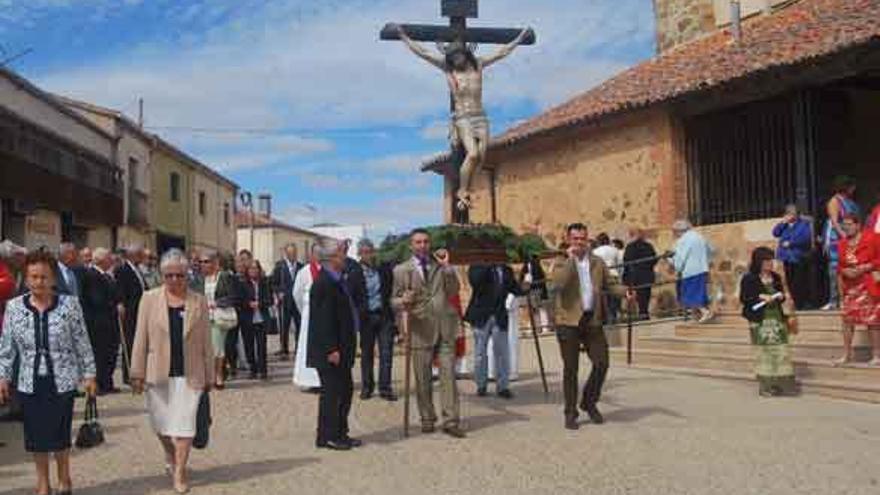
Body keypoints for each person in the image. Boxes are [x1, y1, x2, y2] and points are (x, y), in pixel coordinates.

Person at [0, 250, 97, 495]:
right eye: (33, 277)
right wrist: (3, 376)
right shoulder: (13, 308)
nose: (38, 282)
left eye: (43, 277)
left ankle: (64, 477)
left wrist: (89, 374)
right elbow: (7, 347)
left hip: (61, 380)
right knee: (35, 437)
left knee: (59, 433)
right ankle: (43, 483)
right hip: (29, 382)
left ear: (53, 278)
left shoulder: (69, 305)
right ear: (26, 278)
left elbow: (82, 342)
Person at [130, 249, 213, 494]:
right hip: (158, 372)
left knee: (185, 426)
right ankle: (170, 453)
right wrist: (137, 372)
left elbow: (207, 342)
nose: (175, 280)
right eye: (169, 276)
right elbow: (140, 338)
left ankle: (179, 472)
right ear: (162, 276)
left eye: (179, 275)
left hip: (191, 373)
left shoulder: (198, 301)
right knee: (161, 425)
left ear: (187, 275)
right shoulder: (148, 299)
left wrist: (210, 374)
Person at [549, 223, 631, 430]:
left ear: (588, 240)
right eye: (575, 238)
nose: (579, 242)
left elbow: (610, 284)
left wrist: (625, 292)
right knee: (571, 369)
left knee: (602, 362)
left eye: (583, 239)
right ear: (568, 239)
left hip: (592, 319)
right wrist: (570, 260)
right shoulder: (560, 261)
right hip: (568, 320)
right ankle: (570, 412)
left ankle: (588, 401)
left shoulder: (597, 262)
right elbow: (558, 284)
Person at [391, 228, 465, 438]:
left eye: (425, 242)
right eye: (418, 242)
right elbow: (393, 300)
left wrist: (448, 268)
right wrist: (402, 301)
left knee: (448, 375)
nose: (422, 246)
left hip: (444, 327)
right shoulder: (401, 270)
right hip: (419, 329)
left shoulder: (440, 267)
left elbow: (453, 291)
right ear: (411, 245)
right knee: (423, 379)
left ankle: (451, 420)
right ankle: (427, 417)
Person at [308, 241, 361, 451]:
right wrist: (331, 349)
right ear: (330, 259)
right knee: (332, 393)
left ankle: (340, 432)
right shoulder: (324, 283)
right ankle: (328, 436)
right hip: (331, 351)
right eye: (341, 255)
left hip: (342, 347)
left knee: (344, 391)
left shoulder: (337, 280)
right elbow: (323, 320)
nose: (345, 258)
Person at [740, 247, 797, 397]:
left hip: (777, 317)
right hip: (760, 319)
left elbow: (783, 295)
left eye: (771, 260)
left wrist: (781, 297)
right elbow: (744, 298)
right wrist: (760, 296)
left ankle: (780, 384)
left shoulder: (776, 277)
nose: (770, 264)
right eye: (766, 261)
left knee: (779, 351)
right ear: (758, 262)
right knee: (764, 352)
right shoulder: (749, 278)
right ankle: (765, 385)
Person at [465, 263, 525, 399]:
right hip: (481, 315)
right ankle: (481, 384)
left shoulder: (506, 270)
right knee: (480, 352)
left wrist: (526, 285)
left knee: (502, 352)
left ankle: (503, 386)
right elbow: (476, 282)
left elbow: (515, 289)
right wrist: (488, 264)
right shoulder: (477, 266)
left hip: (499, 315)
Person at [836, 214, 880, 366]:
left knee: (872, 321)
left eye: (849, 224)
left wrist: (866, 266)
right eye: (844, 225)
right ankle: (847, 354)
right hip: (850, 287)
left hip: (868, 284)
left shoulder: (872, 237)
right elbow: (840, 265)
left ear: (858, 225)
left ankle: (876, 355)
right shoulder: (842, 243)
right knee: (846, 320)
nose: (846, 228)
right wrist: (844, 271)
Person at [355, 239, 397, 401]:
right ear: (359, 254)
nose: (367, 255)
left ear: (374, 252)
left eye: (370, 251)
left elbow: (391, 290)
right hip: (366, 318)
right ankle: (367, 387)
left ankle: (385, 388)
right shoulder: (355, 272)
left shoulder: (383, 270)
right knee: (367, 355)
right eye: (364, 252)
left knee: (386, 353)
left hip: (384, 316)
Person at [79, 248, 124, 395]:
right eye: (109, 257)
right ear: (101, 260)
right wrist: (114, 306)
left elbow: (116, 294)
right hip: (98, 323)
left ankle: (107, 382)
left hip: (110, 322)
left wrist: (119, 302)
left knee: (110, 353)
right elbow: (96, 299)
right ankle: (99, 384)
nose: (112, 260)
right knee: (100, 354)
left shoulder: (107, 275)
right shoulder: (92, 275)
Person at [200, 251, 238, 389]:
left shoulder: (223, 277)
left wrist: (217, 303)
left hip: (218, 317)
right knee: (207, 348)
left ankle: (218, 375)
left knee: (217, 347)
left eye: (206, 261)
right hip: (203, 318)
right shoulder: (200, 279)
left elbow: (232, 296)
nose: (203, 264)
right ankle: (213, 374)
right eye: (201, 262)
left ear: (214, 262)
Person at [822, 176, 861, 310]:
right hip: (836, 237)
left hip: (851, 234)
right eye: (852, 186)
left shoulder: (851, 202)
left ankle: (851, 297)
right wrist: (844, 236)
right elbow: (834, 221)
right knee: (835, 267)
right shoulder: (835, 201)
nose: (854, 189)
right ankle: (834, 300)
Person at [772, 205, 815, 310]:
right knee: (790, 281)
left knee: (799, 281)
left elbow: (806, 238)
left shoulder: (803, 224)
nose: (789, 216)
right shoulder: (785, 225)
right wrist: (782, 223)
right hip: (787, 258)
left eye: (791, 214)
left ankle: (803, 303)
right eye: (787, 214)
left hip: (798, 257)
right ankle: (796, 302)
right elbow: (775, 233)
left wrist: (791, 243)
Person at [116, 245, 148, 385]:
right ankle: (128, 374)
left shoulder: (137, 269)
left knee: (139, 343)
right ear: (132, 255)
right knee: (129, 342)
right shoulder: (123, 270)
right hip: (130, 311)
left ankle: (138, 372)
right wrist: (121, 303)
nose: (142, 257)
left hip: (140, 311)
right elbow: (120, 289)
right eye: (140, 254)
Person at [292, 245, 322, 390]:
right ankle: (309, 380)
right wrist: (304, 311)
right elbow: (296, 294)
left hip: (324, 316)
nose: (318, 255)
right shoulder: (303, 272)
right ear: (311, 254)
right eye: (316, 253)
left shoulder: (328, 271)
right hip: (308, 315)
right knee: (307, 348)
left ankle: (323, 380)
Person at [672, 220, 715, 323]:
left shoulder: (683, 240)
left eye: (675, 232)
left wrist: (677, 267)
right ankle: (697, 317)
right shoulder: (699, 237)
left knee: (690, 294)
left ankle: (705, 312)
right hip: (702, 269)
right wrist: (705, 261)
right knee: (699, 292)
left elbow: (681, 257)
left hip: (690, 271)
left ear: (679, 231)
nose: (675, 235)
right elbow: (711, 250)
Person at [271, 244, 304, 361]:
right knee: (284, 326)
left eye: (294, 253)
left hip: (298, 302)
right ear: (286, 253)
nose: (292, 255)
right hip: (285, 302)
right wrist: (278, 292)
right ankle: (284, 349)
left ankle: (298, 349)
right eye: (290, 253)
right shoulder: (280, 267)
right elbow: (273, 283)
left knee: (299, 325)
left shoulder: (301, 267)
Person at [241, 260, 272, 379]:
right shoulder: (243, 284)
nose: (253, 271)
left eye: (255, 268)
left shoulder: (265, 283)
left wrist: (260, 304)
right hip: (248, 318)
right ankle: (252, 368)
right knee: (249, 345)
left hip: (261, 318)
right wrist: (248, 304)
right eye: (251, 268)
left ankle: (263, 370)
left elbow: (270, 300)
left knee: (261, 345)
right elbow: (239, 300)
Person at [622, 228, 658, 320]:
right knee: (645, 296)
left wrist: (625, 277)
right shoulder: (648, 246)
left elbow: (626, 262)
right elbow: (654, 259)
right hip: (646, 275)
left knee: (634, 297)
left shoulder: (630, 247)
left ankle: (636, 315)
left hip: (634, 276)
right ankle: (644, 314)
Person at [592, 233, 622, 323]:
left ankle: (605, 318)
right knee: (614, 297)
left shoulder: (595, 252)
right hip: (613, 274)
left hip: (601, 275)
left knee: (604, 298)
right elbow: (620, 263)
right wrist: (619, 274)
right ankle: (614, 316)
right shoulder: (615, 250)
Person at [520, 254, 551, 333]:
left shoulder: (528, 267)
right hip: (536, 290)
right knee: (537, 309)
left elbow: (522, 279)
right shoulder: (535, 266)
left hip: (535, 290)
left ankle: (540, 327)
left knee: (537, 309)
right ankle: (541, 327)